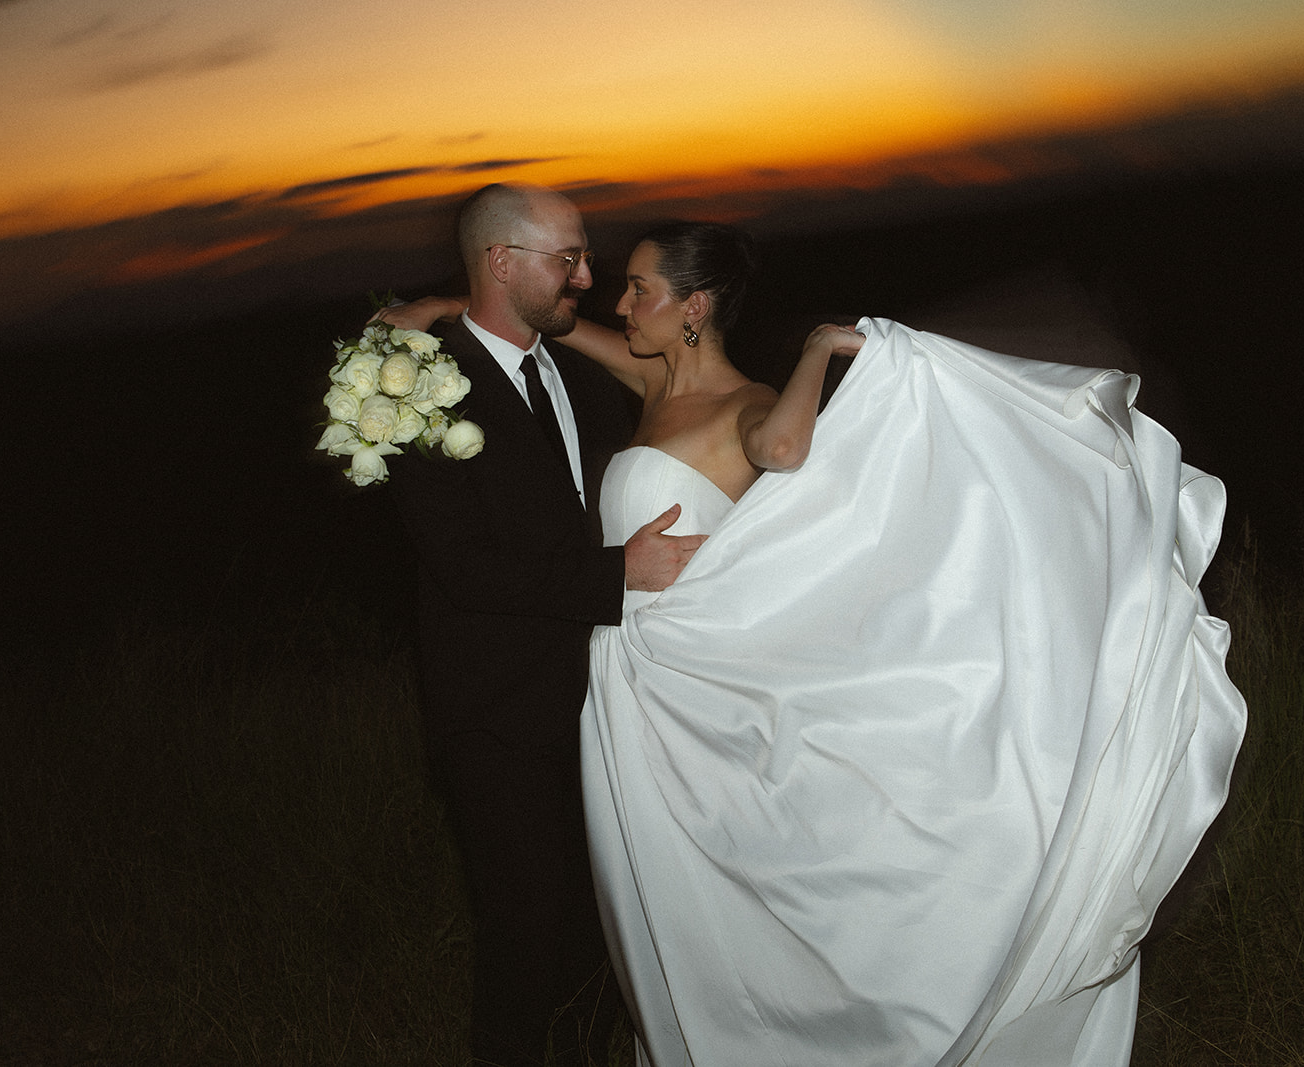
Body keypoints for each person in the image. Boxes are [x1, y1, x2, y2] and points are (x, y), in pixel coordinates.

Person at [392, 221, 1247, 1066]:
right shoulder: (647, 377)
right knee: (654, 899)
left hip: (700, 687)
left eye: (639, 289)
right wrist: (440, 307)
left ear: (694, 307)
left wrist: (813, 354)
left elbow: (785, 446)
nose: (618, 300)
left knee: (744, 894)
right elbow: (554, 322)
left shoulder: (748, 404)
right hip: (625, 678)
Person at [370, 184, 705, 1067]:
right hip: (495, 718)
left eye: (586, 257)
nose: (587, 278)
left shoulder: (579, 366)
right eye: (569, 260)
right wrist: (616, 572)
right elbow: (465, 565)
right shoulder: (414, 388)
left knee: (600, 940)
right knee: (524, 936)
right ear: (502, 262)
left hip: (599, 706)